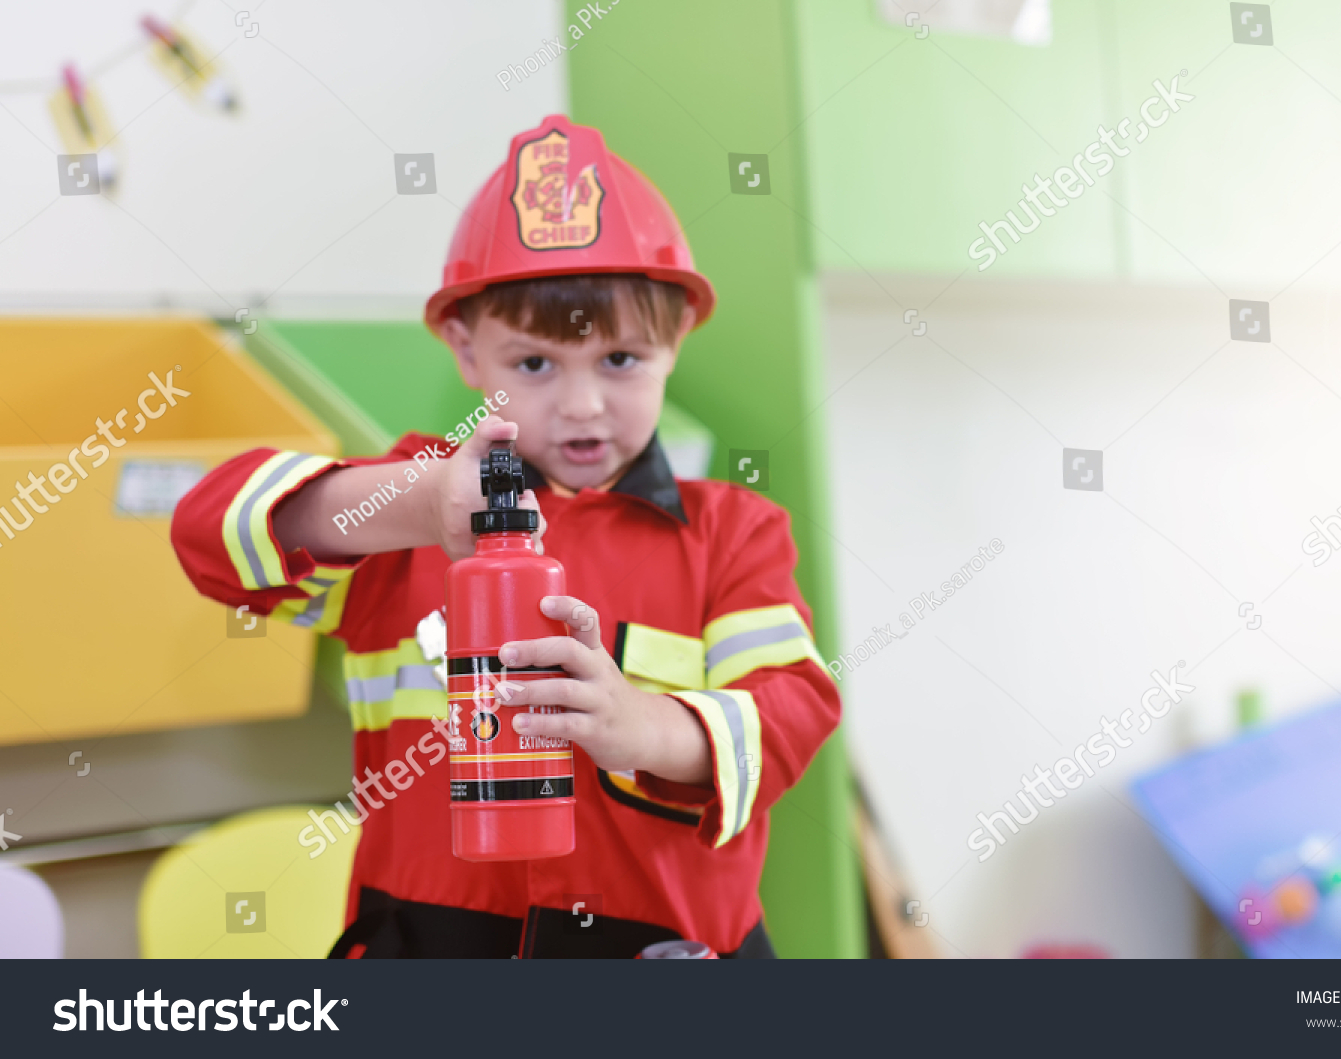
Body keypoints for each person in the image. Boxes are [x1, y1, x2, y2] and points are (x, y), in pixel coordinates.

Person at [170, 114, 841, 958]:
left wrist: (644, 727)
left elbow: (790, 710)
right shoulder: (406, 508)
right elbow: (210, 535)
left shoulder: (732, 532)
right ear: (464, 349)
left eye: (622, 359)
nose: (583, 403)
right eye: (534, 364)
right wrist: (415, 503)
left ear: (676, 341)